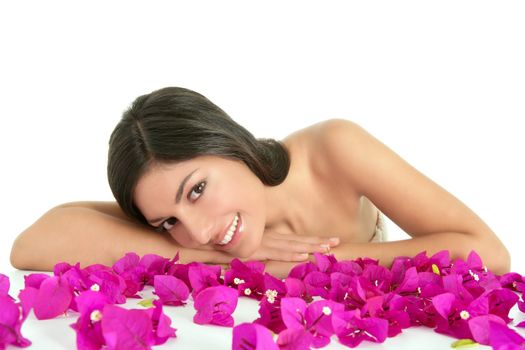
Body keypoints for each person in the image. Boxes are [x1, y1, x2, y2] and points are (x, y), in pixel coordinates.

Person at [10, 87, 510, 278]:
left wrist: (313, 262)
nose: (199, 230)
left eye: (197, 190)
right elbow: (33, 242)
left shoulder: (333, 149)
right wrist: (219, 259)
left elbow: (486, 250)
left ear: (227, 141)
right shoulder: (193, 231)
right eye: (167, 222)